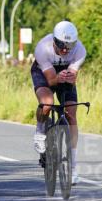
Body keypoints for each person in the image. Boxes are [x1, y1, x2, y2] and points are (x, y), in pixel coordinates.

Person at [31, 20, 87, 185]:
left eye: (69, 47)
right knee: (47, 103)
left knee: (71, 114)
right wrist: (57, 78)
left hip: (64, 75)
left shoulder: (80, 50)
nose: (64, 50)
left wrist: (69, 76)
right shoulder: (43, 48)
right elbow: (50, 79)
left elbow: (73, 75)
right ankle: (40, 131)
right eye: (61, 45)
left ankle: (73, 168)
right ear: (54, 40)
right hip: (44, 73)